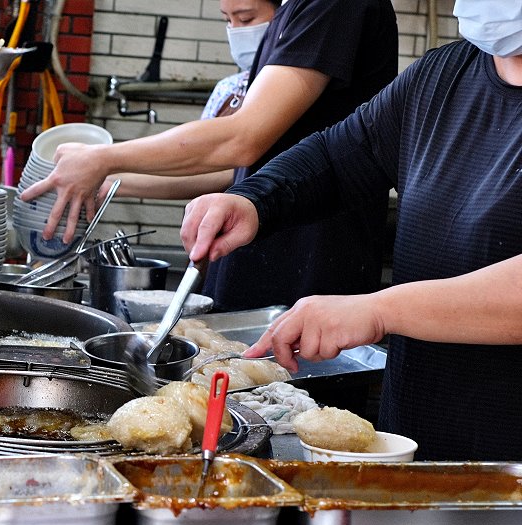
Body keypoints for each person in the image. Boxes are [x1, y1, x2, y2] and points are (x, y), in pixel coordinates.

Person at [179, 0, 522, 461]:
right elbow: (339, 156)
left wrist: (380, 310)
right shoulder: (444, 73)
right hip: (420, 445)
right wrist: (253, 200)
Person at [20, 0, 398, 311]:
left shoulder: (334, 7)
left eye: (245, 17)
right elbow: (238, 169)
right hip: (258, 258)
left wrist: (104, 157)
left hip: (311, 268)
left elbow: (242, 138)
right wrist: (110, 179)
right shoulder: (292, 12)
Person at [201, 0, 280, 120]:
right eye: (228, 20)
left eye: (245, 19)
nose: (234, 30)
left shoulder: (300, 89)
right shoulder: (227, 87)